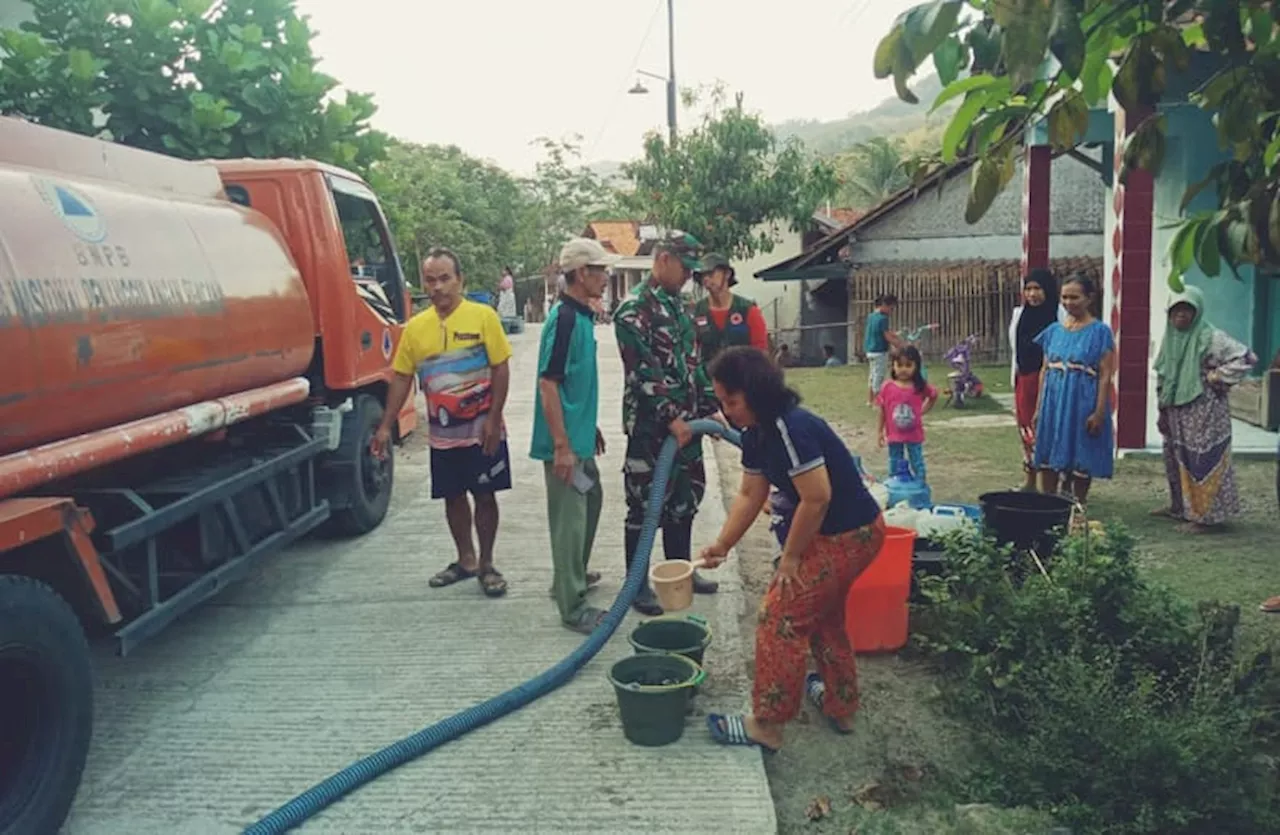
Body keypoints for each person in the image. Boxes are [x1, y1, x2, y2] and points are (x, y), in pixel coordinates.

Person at [698, 346, 886, 752]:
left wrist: (792, 559)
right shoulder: (755, 432)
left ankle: (766, 726)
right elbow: (750, 493)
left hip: (852, 535)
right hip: (843, 532)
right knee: (821, 615)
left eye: (731, 401)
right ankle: (841, 706)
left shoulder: (790, 427)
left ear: (756, 392)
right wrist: (723, 545)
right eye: (721, 402)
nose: (726, 411)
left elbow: (816, 498)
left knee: (779, 618)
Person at [372, 248, 513, 597]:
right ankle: (466, 561)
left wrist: (494, 418)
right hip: (443, 434)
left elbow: (500, 367)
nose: (438, 287)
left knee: (485, 494)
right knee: (452, 496)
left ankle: (487, 563)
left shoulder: (483, 317)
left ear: (460, 280)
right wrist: (385, 425)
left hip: (483, 430)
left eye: (445, 278)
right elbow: (402, 377)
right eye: (430, 280)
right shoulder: (416, 328)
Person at [614, 230, 722, 616]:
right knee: (645, 506)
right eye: (685, 268)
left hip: (689, 426)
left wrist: (710, 406)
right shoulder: (633, 310)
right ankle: (636, 587)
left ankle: (680, 573)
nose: (690, 277)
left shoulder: (681, 306)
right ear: (663, 260)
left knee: (685, 500)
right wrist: (671, 417)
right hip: (651, 430)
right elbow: (642, 372)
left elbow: (694, 363)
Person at [531, 239, 615, 632]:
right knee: (570, 517)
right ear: (582, 274)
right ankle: (572, 603)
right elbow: (548, 383)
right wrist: (562, 445)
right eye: (601, 271)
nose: (605, 278)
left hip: (577, 435)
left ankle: (572, 573)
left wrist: (587, 425)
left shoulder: (581, 316)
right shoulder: (564, 319)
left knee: (591, 497)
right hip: (563, 443)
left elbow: (573, 382)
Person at [1151, 287, 1257, 534]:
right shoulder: (1171, 339)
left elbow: (1247, 358)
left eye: (1187, 310)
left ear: (1197, 312)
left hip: (1204, 408)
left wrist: (1216, 376)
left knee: (1202, 459)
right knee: (1176, 457)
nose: (1181, 317)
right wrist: (1162, 409)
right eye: (1176, 311)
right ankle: (1180, 507)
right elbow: (1164, 374)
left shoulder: (1210, 337)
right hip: (1176, 408)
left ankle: (1205, 517)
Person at [1031, 274, 1115, 504]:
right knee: (1047, 452)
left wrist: (1098, 412)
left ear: (1089, 298)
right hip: (1053, 401)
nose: (1069, 302)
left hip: (1082, 401)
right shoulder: (1053, 331)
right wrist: (1039, 408)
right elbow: (1044, 370)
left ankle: (1077, 506)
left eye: (1074, 297)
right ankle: (1047, 505)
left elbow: (1106, 374)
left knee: (1081, 453)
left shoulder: (1100, 332)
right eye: (1064, 297)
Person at [1008, 268, 1066, 490]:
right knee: (1026, 428)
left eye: (1037, 289)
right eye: (1028, 289)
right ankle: (1030, 480)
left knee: (1047, 428)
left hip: (1050, 381)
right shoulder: (1019, 315)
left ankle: (1051, 482)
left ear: (1048, 290)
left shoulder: (1059, 315)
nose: (1032, 294)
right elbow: (1016, 349)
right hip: (1024, 379)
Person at [692, 254, 769, 366]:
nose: (706, 279)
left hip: (742, 377)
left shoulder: (748, 310)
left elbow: (761, 353)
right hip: (708, 378)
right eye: (702, 276)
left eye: (711, 273)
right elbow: (691, 348)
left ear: (727, 274)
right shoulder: (698, 311)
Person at [876, 345, 938, 482]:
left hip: (914, 435)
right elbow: (882, 410)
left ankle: (920, 486)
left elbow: (933, 395)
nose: (903, 369)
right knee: (894, 463)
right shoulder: (887, 387)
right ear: (893, 365)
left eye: (908, 365)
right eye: (899, 365)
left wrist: (923, 410)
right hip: (894, 435)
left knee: (917, 462)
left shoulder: (919, 387)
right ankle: (894, 487)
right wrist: (880, 431)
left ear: (916, 366)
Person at [863, 295, 902, 407]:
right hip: (880, 351)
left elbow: (881, 331)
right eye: (891, 308)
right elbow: (887, 337)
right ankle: (877, 402)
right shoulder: (883, 318)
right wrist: (900, 346)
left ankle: (869, 400)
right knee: (878, 378)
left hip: (870, 350)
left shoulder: (871, 316)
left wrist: (894, 334)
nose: (891, 311)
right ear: (884, 305)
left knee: (872, 376)